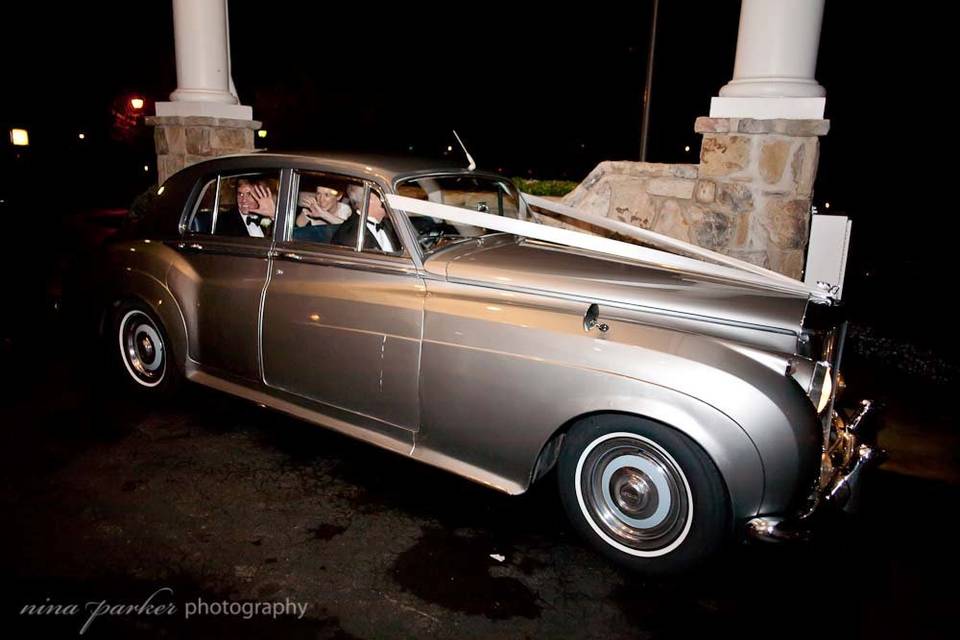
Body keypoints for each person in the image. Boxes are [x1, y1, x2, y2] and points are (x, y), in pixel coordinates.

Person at [332, 191, 400, 253]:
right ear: (368, 199)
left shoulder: (390, 224)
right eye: (383, 197)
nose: (388, 201)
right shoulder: (350, 238)